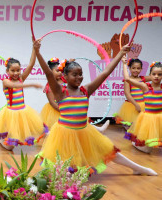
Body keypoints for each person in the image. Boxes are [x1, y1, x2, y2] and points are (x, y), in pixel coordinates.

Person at [35, 40, 156, 176]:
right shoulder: (60, 92)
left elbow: (105, 73)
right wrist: (37, 52)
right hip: (64, 134)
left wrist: (121, 53)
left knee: (110, 151)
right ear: (65, 76)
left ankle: (138, 168)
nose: (79, 77)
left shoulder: (85, 90)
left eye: (80, 74)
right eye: (74, 74)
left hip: (84, 131)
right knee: (64, 169)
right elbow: (48, 73)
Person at [0, 46, 46, 150]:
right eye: (13, 70)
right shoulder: (5, 81)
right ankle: (2, 140)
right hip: (11, 113)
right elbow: (14, 86)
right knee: (9, 147)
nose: (16, 73)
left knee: (28, 132)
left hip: (22, 111)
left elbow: (31, 65)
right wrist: (32, 85)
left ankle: (7, 138)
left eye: (18, 70)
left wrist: (34, 49)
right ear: (7, 71)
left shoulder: (21, 78)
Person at [41, 57, 110, 133]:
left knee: (79, 121)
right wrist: (63, 110)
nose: (60, 73)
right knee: (57, 128)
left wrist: (69, 63)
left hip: (69, 106)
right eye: (57, 71)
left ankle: (98, 129)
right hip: (58, 109)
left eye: (61, 71)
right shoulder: (50, 86)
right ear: (50, 72)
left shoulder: (63, 79)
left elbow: (69, 73)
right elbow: (52, 102)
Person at [124, 58, 162, 154]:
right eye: (154, 74)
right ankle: (136, 142)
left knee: (156, 142)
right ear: (150, 75)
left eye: (159, 74)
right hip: (148, 118)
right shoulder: (145, 87)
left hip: (159, 117)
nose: (156, 76)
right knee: (147, 148)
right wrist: (124, 64)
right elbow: (127, 79)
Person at [115, 57, 150, 129]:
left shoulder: (142, 79)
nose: (136, 70)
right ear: (130, 68)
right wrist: (136, 105)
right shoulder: (128, 80)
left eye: (138, 68)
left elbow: (153, 77)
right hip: (132, 105)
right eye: (133, 68)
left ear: (141, 69)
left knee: (142, 125)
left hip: (143, 105)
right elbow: (127, 94)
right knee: (131, 126)